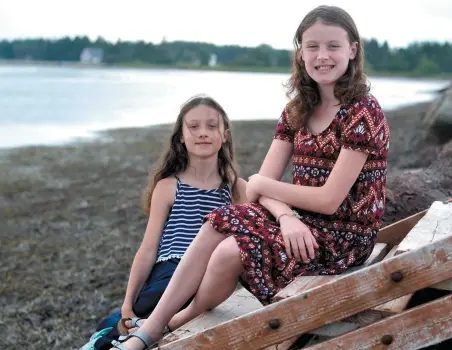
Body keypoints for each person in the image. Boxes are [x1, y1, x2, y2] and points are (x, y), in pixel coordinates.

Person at [110, 5, 390, 349]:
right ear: (300, 53)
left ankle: (177, 319)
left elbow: (329, 200)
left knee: (232, 247)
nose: (322, 56)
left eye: (333, 46)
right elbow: (259, 190)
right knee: (222, 224)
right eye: (312, 46)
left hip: (344, 238)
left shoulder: (363, 112)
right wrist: (285, 215)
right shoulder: (296, 110)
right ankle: (154, 328)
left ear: (352, 50)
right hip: (302, 223)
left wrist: (261, 185)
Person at [82, 94, 248, 350]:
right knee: (127, 320)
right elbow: (148, 250)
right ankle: (112, 337)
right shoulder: (169, 187)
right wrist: (128, 303)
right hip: (169, 271)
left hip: (211, 277)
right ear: (181, 136)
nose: (203, 133)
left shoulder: (235, 189)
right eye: (193, 126)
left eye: (211, 126)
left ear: (224, 134)